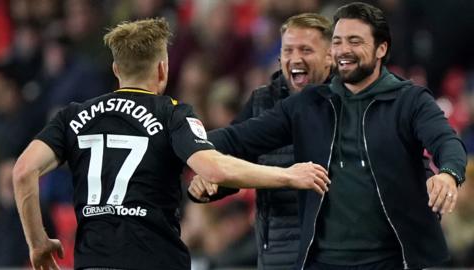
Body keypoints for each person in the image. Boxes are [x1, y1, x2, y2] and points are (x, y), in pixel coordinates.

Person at [11, 18, 330, 270]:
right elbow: (214, 169)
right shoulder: (171, 113)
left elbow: (23, 171)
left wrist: (38, 242)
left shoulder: (73, 115)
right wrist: (289, 175)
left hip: (92, 261)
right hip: (155, 258)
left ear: (116, 69)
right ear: (162, 68)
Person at [190, 2, 467, 270]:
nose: (343, 50)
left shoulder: (410, 100)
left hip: (391, 260)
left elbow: (446, 141)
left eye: (355, 41)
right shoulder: (309, 103)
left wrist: (448, 173)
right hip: (320, 260)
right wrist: (185, 144)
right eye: (338, 41)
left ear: (381, 48)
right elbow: (238, 139)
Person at [189, 13, 333, 270]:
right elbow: (234, 154)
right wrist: (212, 181)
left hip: (329, 250)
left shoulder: (345, 103)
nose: (295, 58)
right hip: (276, 251)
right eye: (288, 50)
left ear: (330, 56)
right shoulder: (262, 102)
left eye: (306, 49)